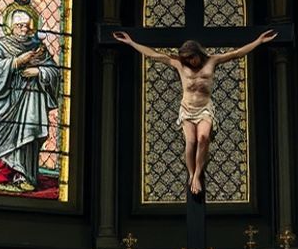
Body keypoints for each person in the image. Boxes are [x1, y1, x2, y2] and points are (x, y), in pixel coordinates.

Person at [113, 29, 277, 195]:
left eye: (192, 57)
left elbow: (237, 53)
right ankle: (191, 175)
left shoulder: (212, 61)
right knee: (191, 141)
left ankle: (198, 174)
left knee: (203, 138)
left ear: (198, 52)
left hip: (205, 107)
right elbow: (154, 55)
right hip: (187, 108)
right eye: (187, 59)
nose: (191, 61)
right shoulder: (179, 64)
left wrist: (259, 41)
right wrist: (131, 43)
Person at [0, 5, 61, 193]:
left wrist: (38, 71)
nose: (24, 30)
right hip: (6, 102)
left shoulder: (38, 47)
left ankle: (23, 176)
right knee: (1, 135)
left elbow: (54, 71)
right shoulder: (0, 45)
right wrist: (16, 62)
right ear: (10, 27)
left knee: (28, 135)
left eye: (27, 26)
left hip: (31, 103)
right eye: (19, 26)